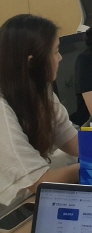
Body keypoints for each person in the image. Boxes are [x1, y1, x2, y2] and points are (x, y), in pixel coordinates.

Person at [0, 15, 79, 207]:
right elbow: (41, 182)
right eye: (56, 51)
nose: (60, 58)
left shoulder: (39, 90)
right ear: (31, 62)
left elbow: (73, 142)